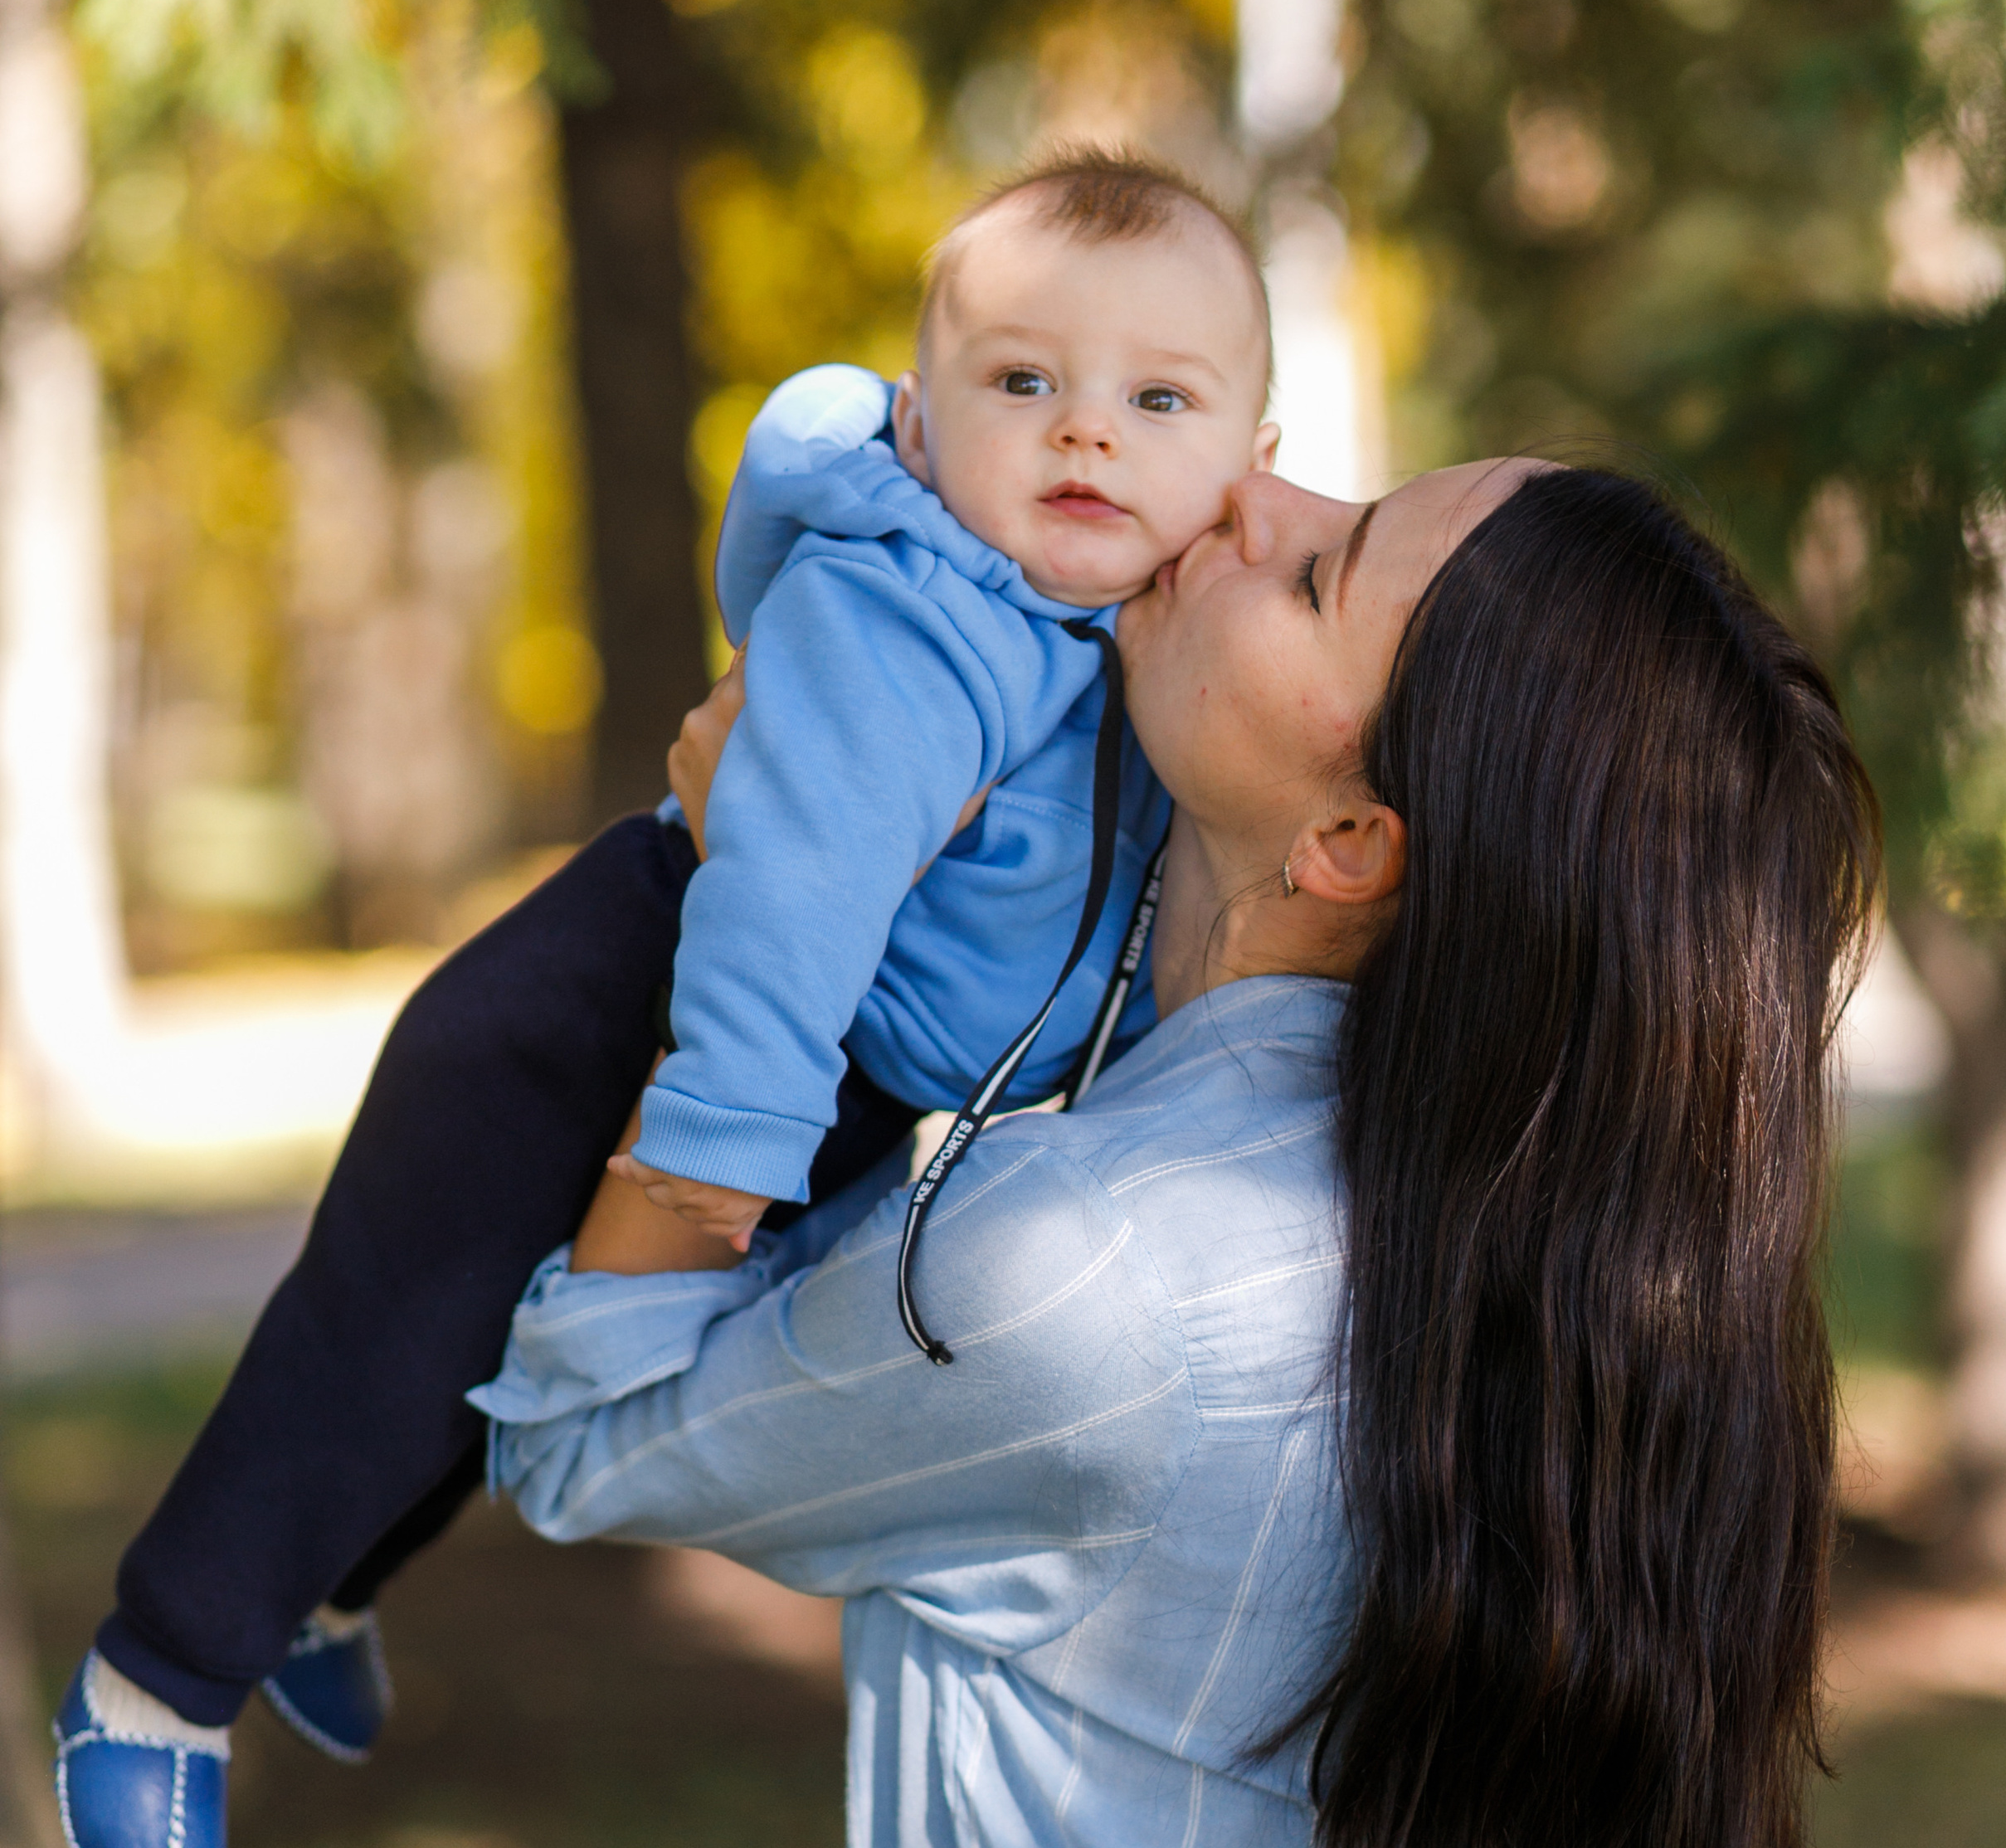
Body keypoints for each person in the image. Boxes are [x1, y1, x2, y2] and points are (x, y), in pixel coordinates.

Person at [53, 147, 1278, 1848]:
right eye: (1021, 383)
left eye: (1158, 397)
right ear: (919, 430)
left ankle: (329, 1589)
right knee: (398, 1315)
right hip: (641, 1002)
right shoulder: (917, 617)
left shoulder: (1138, 650)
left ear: (1246, 465)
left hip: (820, 1070)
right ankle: (158, 1677)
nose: (1085, 432)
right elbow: (789, 895)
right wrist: (721, 1138)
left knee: (492, 1351)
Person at [473, 459, 1882, 1847]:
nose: (1248, 500)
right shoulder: (1485, 1263)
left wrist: (772, 926)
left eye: (1320, 574)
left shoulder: (1095, 1264)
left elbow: (583, 1437)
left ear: (1345, 841)